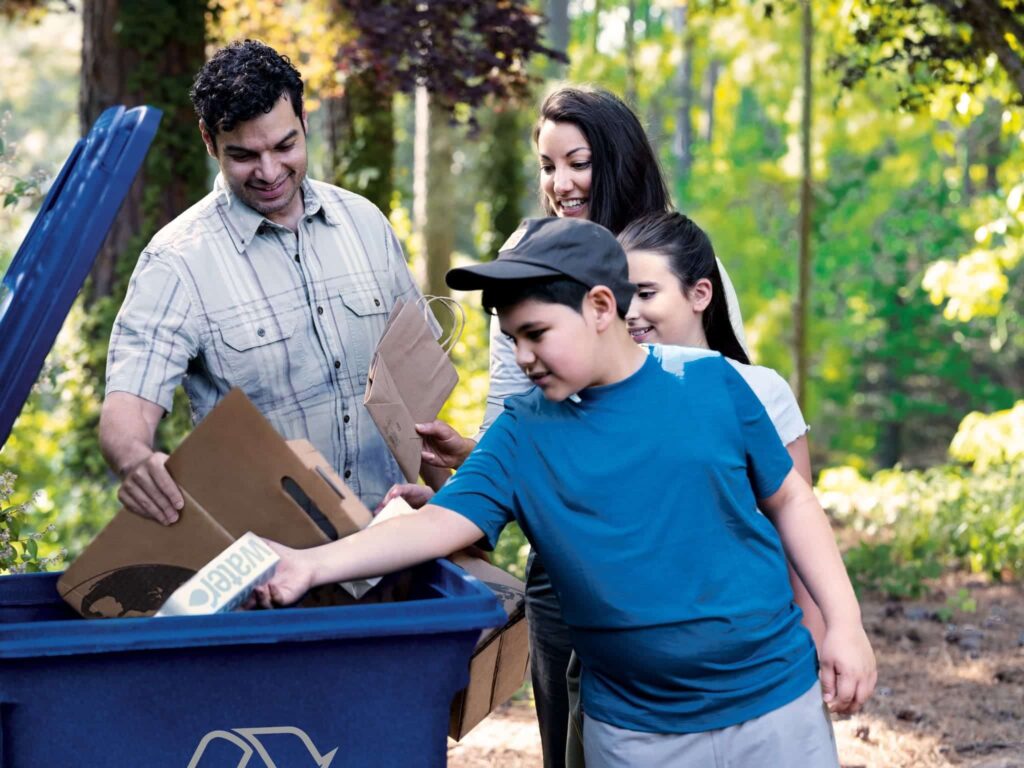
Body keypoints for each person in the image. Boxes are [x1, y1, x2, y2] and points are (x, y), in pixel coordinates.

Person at [256, 217, 877, 768]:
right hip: (635, 734)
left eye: (536, 333)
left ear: (601, 306)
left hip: (774, 705)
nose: (522, 356)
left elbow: (792, 499)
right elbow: (438, 524)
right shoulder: (523, 433)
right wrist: (309, 564)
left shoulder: (712, 385)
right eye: (512, 339)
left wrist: (844, 623)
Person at [395, 86, 748, 768]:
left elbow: (733, 407)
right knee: (568, 744)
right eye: (547, 165)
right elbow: (513, 422)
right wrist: (468, 467)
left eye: (577, 162)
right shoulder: (525, 254)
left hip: (672, 555)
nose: (560, 183)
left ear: (615, 159)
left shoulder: (679, 261)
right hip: (563, 558)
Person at [99, 40, 441, 523]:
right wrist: (135, 459)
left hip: (393, 540)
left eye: (285, 146)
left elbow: (418, 394)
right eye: (243, 155)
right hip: (271, 561)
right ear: (208, 139)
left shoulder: (365, 224)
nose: (269, 172)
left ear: (303, 121)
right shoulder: (175, 263)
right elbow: (128, 404)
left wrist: (459, 514)